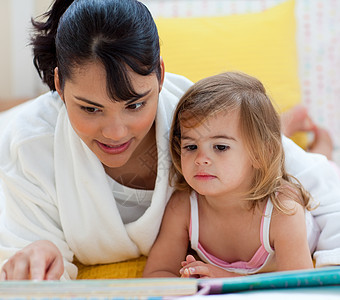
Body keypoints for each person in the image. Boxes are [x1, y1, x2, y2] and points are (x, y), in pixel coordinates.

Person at [0, 0, 340, 281]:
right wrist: (37, 262)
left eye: (135, 104)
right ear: (59, 85)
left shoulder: (197, 113)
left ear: (161, 75)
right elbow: (32, 268)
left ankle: (295, 126)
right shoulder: (30, 148)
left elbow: (323, 188)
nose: (116, 132)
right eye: (91, 109)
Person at [143, 72, 319, 278]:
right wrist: (186, 286)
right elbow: (157, 273)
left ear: (260, 154)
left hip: (303, 218)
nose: (201, 159)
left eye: (220, 146)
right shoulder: (182, 207)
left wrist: (224, 281)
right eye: (191, 146)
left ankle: (293, 129)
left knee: (317, 160)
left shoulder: (284, 212)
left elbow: (300, 288)